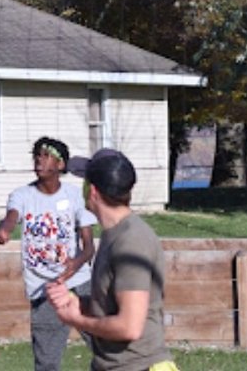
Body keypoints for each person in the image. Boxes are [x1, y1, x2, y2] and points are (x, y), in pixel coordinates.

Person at [46, 149, 177, 371]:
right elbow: (113, 307)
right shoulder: (113, 234)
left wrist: (76, 320)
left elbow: (129, 327)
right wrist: (79, 303)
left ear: (93, 191)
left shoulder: (131, 241)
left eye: (85, 182)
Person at [0, 136, 97, 371]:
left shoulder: (74, 196)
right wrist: (5, 229)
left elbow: (89, 247)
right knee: (47, 363)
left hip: (80, 284)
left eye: (46, 156)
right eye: (37, 155)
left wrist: (75, 264)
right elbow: (12, 216)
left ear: (60, 165)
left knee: (105, 349)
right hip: (44, 290)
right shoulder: (22, 195)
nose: (39, 160)